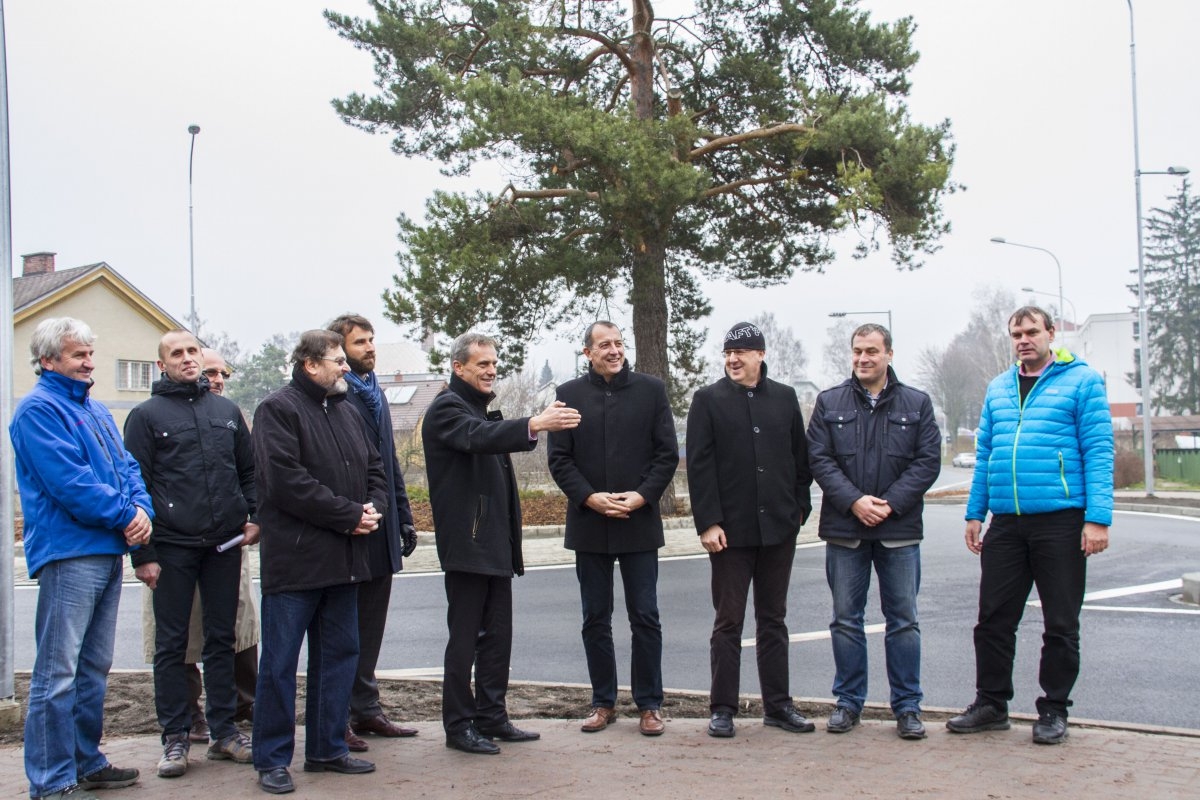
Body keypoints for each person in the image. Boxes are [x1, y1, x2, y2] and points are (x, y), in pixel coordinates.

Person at [948, 306, 1113, 745]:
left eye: (1032, 331)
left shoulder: (1082, 381)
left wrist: (1097, 519)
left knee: (1060, 622)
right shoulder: (999, 387)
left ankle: (1054, 710)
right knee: (993, 620)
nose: (1024, 339)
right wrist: (974, 512)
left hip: (1061, 521)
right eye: (1016, 333)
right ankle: (991, 704)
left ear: (1051, 334)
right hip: (1006, 522)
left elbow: (1099, 451)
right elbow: (986, 455)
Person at [10, 317, 151, 800]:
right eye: (78, 355)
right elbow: (70, 484)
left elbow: (127, 467)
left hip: (106, 548)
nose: (89, 363)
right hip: (69, 553)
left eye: (90, 354)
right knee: (57, 674)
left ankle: (86, 761)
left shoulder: (92, 409)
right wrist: (125, 515)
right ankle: (50, 782)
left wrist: (141, 510)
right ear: (48, 360)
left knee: (93, 668)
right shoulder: (37, 412)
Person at [422, 332, 580, 755]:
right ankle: (459, 726)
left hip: (493, 543)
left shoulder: (478, 408)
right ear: (459, 368)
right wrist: (534, 424)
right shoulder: (446, 410)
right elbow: (477, 437)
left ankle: (492, 717)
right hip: (469, 545)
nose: (491, 370)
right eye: (482, 365)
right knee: (465, 639)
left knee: (497, 637)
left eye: (494, 364)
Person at [251, 330, 388, 793]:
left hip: (345, 560)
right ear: (310, 365)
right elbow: (285, 483)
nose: (346, 367)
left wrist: (373, 508)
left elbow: (376, 469)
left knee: (338, 659)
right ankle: (271, 759)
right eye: (336, 360)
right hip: (296, 564)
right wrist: (349, 515)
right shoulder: (277, 410)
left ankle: (328, 749)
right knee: (280, 664)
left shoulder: (347, 411)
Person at [124, 332, 257, 777]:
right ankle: (175, 739)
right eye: (176, 354)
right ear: (161, 365)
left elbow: (249, 471)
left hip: (224, 544)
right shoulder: (145, 417)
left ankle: (223, 733)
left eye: (192, 352)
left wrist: (255, 517)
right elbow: (134, 485)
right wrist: (143, 554)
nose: (187, 359)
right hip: (173, 547)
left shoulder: (227, 412)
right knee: (172, 646)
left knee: (222, 640)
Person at [806, 324, 941, 740]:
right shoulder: (829, 402)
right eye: (857, 351)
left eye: (872, 351)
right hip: (846, 530)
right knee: (846, 620)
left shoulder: (917, 403)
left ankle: (907, 707)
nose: (863, 358)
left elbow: (928, 461)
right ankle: (848, 703)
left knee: (903, 621)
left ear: (889, 354)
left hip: (898, 530)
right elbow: (819, 459)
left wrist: (889, 504)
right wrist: (855, 502)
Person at [548, 321, 678, 736]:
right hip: (589, 522)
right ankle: (602, 702)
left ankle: (650, 705)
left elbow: (667, 454)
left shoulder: (651, 390)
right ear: (587, 352)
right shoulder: (568, 395)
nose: (614, 350)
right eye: (604, 345)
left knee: (646, 616)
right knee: (594, 618)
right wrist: (589, 497)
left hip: (638, 520)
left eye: (619, 343)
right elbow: (560, 460)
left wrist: (642, 496)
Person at [686, 321, 815, 739]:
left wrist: (800, 507)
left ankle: (778, 706)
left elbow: (800, 458)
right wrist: (707, 522)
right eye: (727, 353)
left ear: (760, 354)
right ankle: (722, 708)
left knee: (773, 620)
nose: (732, 360)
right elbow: (699, 467)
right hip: (729, 532)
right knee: (728, 622)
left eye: (740, 352)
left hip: (779, 528)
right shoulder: (707, 400)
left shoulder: (784, 397)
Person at [327, 314, 419, 751]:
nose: (369, 347)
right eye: (359, 342)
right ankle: (338, 716)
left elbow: (388, 461)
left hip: (381, 527)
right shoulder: (335, 397)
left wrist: (403, 514)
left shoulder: (376, 393)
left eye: (371, 340)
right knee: (343, 630)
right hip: (349, 529)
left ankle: (366, 708)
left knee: (371, 626)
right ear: (339, 350)